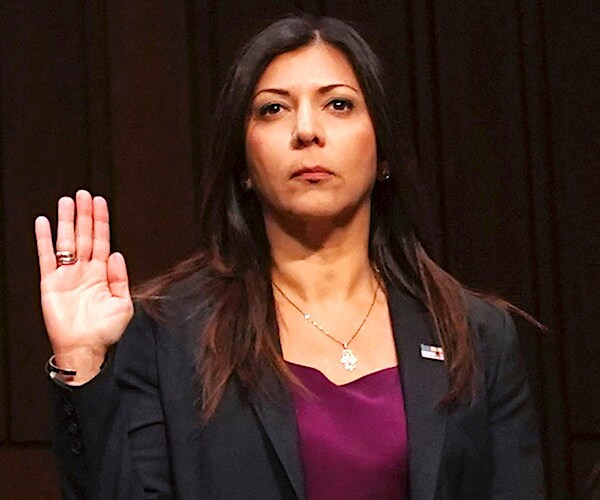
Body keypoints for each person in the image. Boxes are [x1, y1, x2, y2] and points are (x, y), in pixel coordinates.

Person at [35, 15, 545, 500]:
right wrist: (80, 358)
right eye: (273, 109)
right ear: (245, 166)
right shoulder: (170, 330)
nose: (306, 130)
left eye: (339, 105)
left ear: (383, 151)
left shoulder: (476, 335)